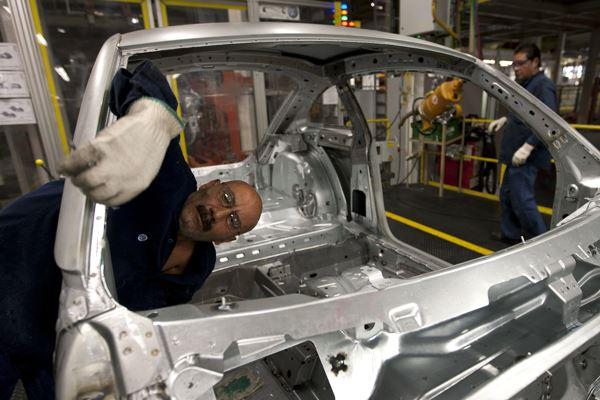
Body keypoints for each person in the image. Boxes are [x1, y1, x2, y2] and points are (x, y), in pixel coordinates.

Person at [0, 60, 262, 399]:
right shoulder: (167, 176)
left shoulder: (199, 265)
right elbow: (139, 77)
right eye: (226, 198)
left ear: (228, 238)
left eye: (233, 220)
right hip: (14, 277)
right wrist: (152, 118)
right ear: (210, 185)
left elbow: (156, 316)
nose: (219, 213)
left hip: (60, 339)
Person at [488, 43, 557, 244]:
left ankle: (542, 243)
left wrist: (528, 147)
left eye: (521, 63)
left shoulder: (543, 86)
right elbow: (525, 115)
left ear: (535, 62)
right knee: (507, 195)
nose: (516, 68)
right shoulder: (527, 84)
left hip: (526, 157)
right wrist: (506, 119)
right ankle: (511, 235)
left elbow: (548, 121)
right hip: (514, 154)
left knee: (522, 200)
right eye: (514, 64)